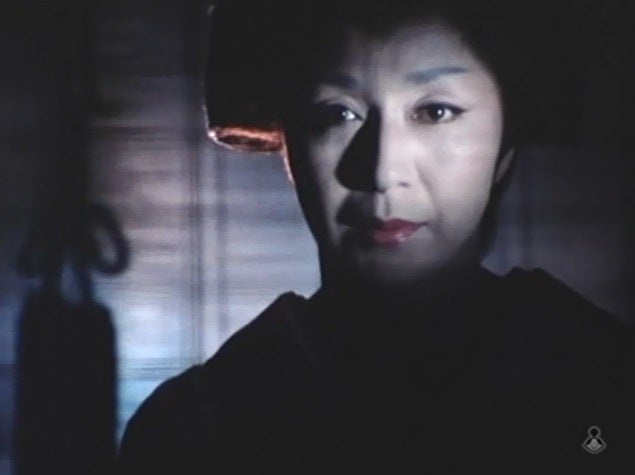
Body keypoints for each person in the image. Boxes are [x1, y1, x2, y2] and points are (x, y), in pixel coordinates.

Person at [118, 1, 635, 473]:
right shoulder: (198, 428)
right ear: (287, 146)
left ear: (506, 142)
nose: (383, 171)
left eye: (435, 111)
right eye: (337, 113)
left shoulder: (606, 386)